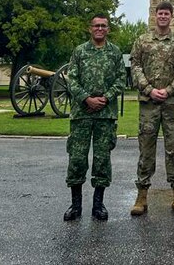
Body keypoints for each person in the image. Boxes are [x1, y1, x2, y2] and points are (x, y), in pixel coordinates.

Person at [129, 2, 174, 216]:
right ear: (155, 16)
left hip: (172, 104)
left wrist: (169, 89)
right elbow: (135, 66)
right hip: (149, 105)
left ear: (171, 17)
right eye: (160, 13)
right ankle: (142, 195)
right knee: (146, 148)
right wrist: (148, 89)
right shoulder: (143, 41)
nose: (163, 17)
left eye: (166, 14)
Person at [64, 14, 126, 222]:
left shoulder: (115, 52)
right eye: (96, 26)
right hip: (82, 114)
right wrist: (86, 99)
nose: (100, 29)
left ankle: (98, 205)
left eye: (103, 26)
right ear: (90, 29)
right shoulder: (80, 51)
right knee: (77, 159)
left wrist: (105, 99)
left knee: (102, 160)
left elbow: (121, 80)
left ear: (108, 29)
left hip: (105, 116)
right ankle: (76, 205)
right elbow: (71, 79)